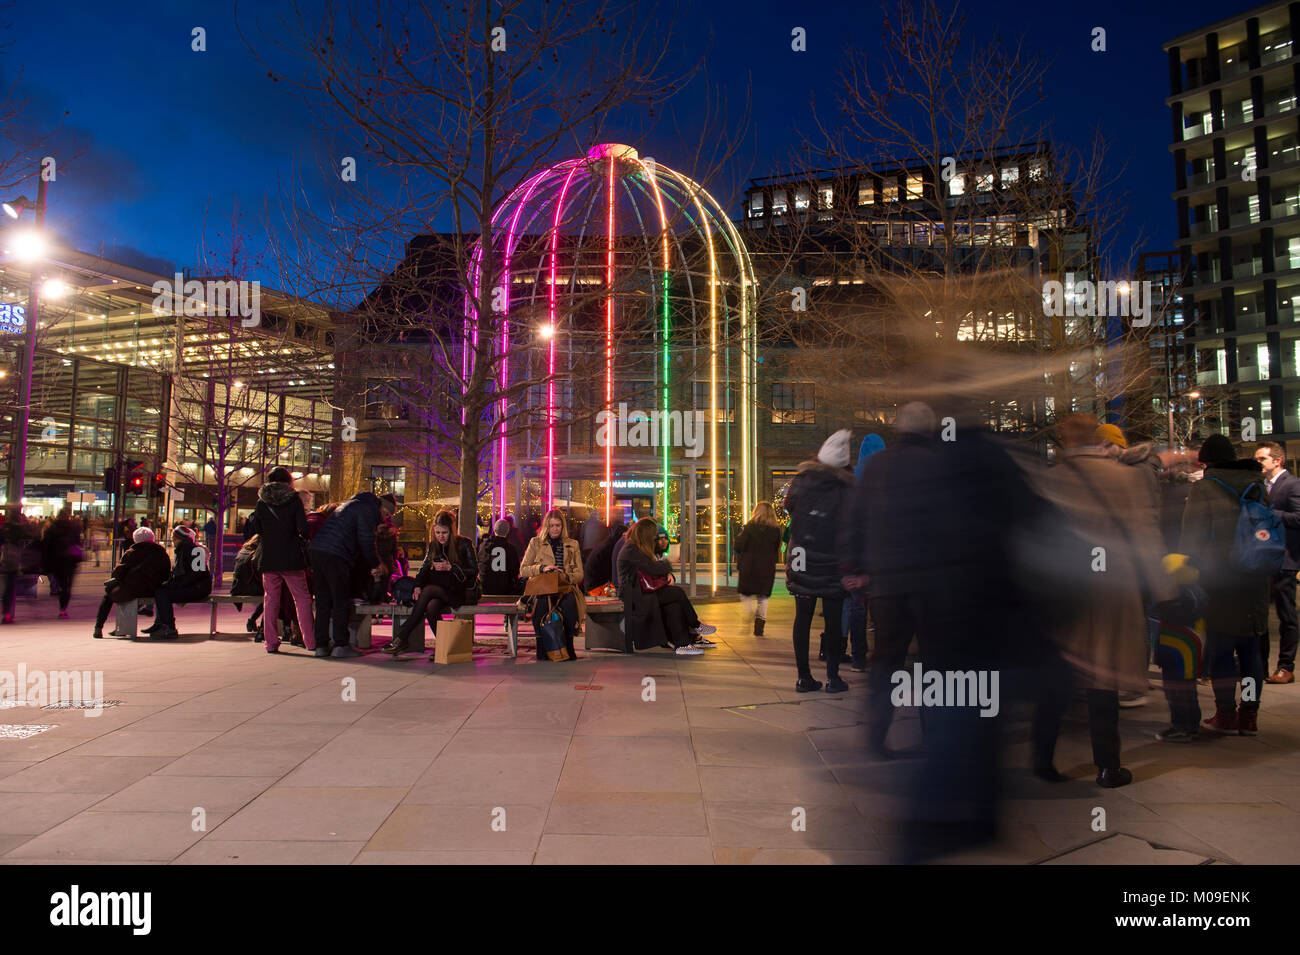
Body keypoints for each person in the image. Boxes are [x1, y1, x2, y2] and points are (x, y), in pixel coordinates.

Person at [1039, 414, 1174, 787]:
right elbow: (1147, 536)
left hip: (1066, 591)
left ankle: (1044, 759)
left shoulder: (1052, 479)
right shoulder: (1125, 478)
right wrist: (1163, 589)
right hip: (1114, 589)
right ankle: (1107, 765)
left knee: (1060, 672)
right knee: (1104, 680)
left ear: (1065, 441)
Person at [1182, 434, 1271, 736]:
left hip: (1219, 580)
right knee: (1250, 652)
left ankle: (1225, 713)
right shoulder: (1257, 485)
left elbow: (1191, 537)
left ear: (1206, 461)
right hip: (1255, 578)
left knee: (1221, 650)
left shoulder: (1204, 487)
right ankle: (1250, 715)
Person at [786, 429, 855, 693]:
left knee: (802, 618)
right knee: (834, 619)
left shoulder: (801, 480)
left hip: (801, 557)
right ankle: (833, 677)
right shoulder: (846, 486)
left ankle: (803, 677)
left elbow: (789, 506)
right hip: (832, 562)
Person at [308, 491, 395, 658]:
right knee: (341, 600)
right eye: (386, 513)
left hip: (318, 551)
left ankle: (321, 645)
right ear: (382, 506)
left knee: (323, 601)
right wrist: (376, 564)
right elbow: (366, 540)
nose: (385, 518)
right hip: (336, 554)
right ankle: (341, 644)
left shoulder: (351, 504)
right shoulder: (369, 509)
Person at [383, 509, 479, 655]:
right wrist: (416, 587)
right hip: (443, 590)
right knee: (431, 607)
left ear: (451, 531)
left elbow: (474, 571)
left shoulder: (464, 544)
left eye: (444, 532)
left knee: (428, 591)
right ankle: (443, 646)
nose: (441, 536)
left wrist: (450, 567)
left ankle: (402, 638)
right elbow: (424, 568)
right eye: (438, 532)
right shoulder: (434, 546)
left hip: (463, 591)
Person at [617, 516, 715, 655]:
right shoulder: (632, 550)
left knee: (673, 605)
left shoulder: (634, 547)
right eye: (653, 536)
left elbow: (653, 569)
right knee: (677, 593)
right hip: (634, 596)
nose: (654, 539)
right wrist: (667, 564)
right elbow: (654, 569)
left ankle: (682, 644)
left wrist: (664, 569)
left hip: (642, 592)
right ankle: (695, 626)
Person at [246, 467, 316, 654]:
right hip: (291, 557)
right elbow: (303, 528)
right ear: (288, 482)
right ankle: (310, 641)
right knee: (302, 599)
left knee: (271, 599)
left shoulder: (262, 502)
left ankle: (271, 643)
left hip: (269, 557)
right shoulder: (293, 500)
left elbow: (257, 528)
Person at [1256, 442, 1300, 684]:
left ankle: (1285, 666)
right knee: (1261, 614)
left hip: (1285, 558)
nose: (1258, 464)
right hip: (1264, 558)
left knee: (1286, 615)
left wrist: (1271, 513)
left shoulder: (1292, 485)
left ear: (1277, 461)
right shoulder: (1261, 487)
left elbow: (1298, 517)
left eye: (1262, 459)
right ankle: (1259, 667)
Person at [521, 509, 588, 661]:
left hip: (565, 586)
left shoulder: (572, 544)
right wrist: (542, 568)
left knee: (570, 604)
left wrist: (566, 575)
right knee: (541, 605)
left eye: (558, 525)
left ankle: (568, 647)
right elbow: (523, 569)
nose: (555, 529)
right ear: (546, 527)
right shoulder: (536, 543)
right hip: (543, 586)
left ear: (563, 527)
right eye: (551, 526)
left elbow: (579, 574)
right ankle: (542, 648)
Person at [91, 527, 171, 639]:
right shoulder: (161, 553)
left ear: (135, 539)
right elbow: (166, 573)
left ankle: (98, 627)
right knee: (124, 592)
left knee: (109, 595)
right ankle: (123, 626)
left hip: (133, 589)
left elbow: (118, 573)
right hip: (153, 590)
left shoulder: (131, 553)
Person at [147, 525, 213, 639]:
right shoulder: (183, 550)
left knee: (162, 593)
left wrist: (176, 585)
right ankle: (161, 623)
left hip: (198, 587)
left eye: (175, 538)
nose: (173, 541)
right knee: (160, 590)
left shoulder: (195, 550)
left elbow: (196, 575)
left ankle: (169, 626)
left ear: (181, 539)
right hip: (195, 585)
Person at [736, 502, 782, 636]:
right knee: (763, 597)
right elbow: (776, 549)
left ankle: (748, 613)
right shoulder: (775, 530)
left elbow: (739, 546)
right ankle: (759, 626)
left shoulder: (749, 527)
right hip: (766, 566)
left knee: (746, 594)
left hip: (749, 565)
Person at [41, 507, 84, 619]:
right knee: (67, 586)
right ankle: (63, 609)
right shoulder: (72, 528)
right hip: (70, 560)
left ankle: (59, 592)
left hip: (57, 560)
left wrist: (45, 560)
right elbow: (78, 542)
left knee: (62, 583)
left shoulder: (52, 528)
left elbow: (46, 544)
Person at [229, 535, 265, 636]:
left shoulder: (243, 551)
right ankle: (260, 625)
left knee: (270, 596)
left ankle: (253, 621)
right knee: (272, 596)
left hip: (237, 588)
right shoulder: (255, 555)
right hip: (248, 587)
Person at [478, 519, 522, 596]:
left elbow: (480, 564)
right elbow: (515, 570)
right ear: (507, 531)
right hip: (505, 589)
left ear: (494, 529)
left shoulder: (484, 546)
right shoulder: (510, 548)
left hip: (486, 588)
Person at [584, 521, 625, 593]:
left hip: (593, 584)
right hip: (597, 587)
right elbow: (613, 571)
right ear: (620, 535)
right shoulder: (611, 548)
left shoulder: (608, 544)